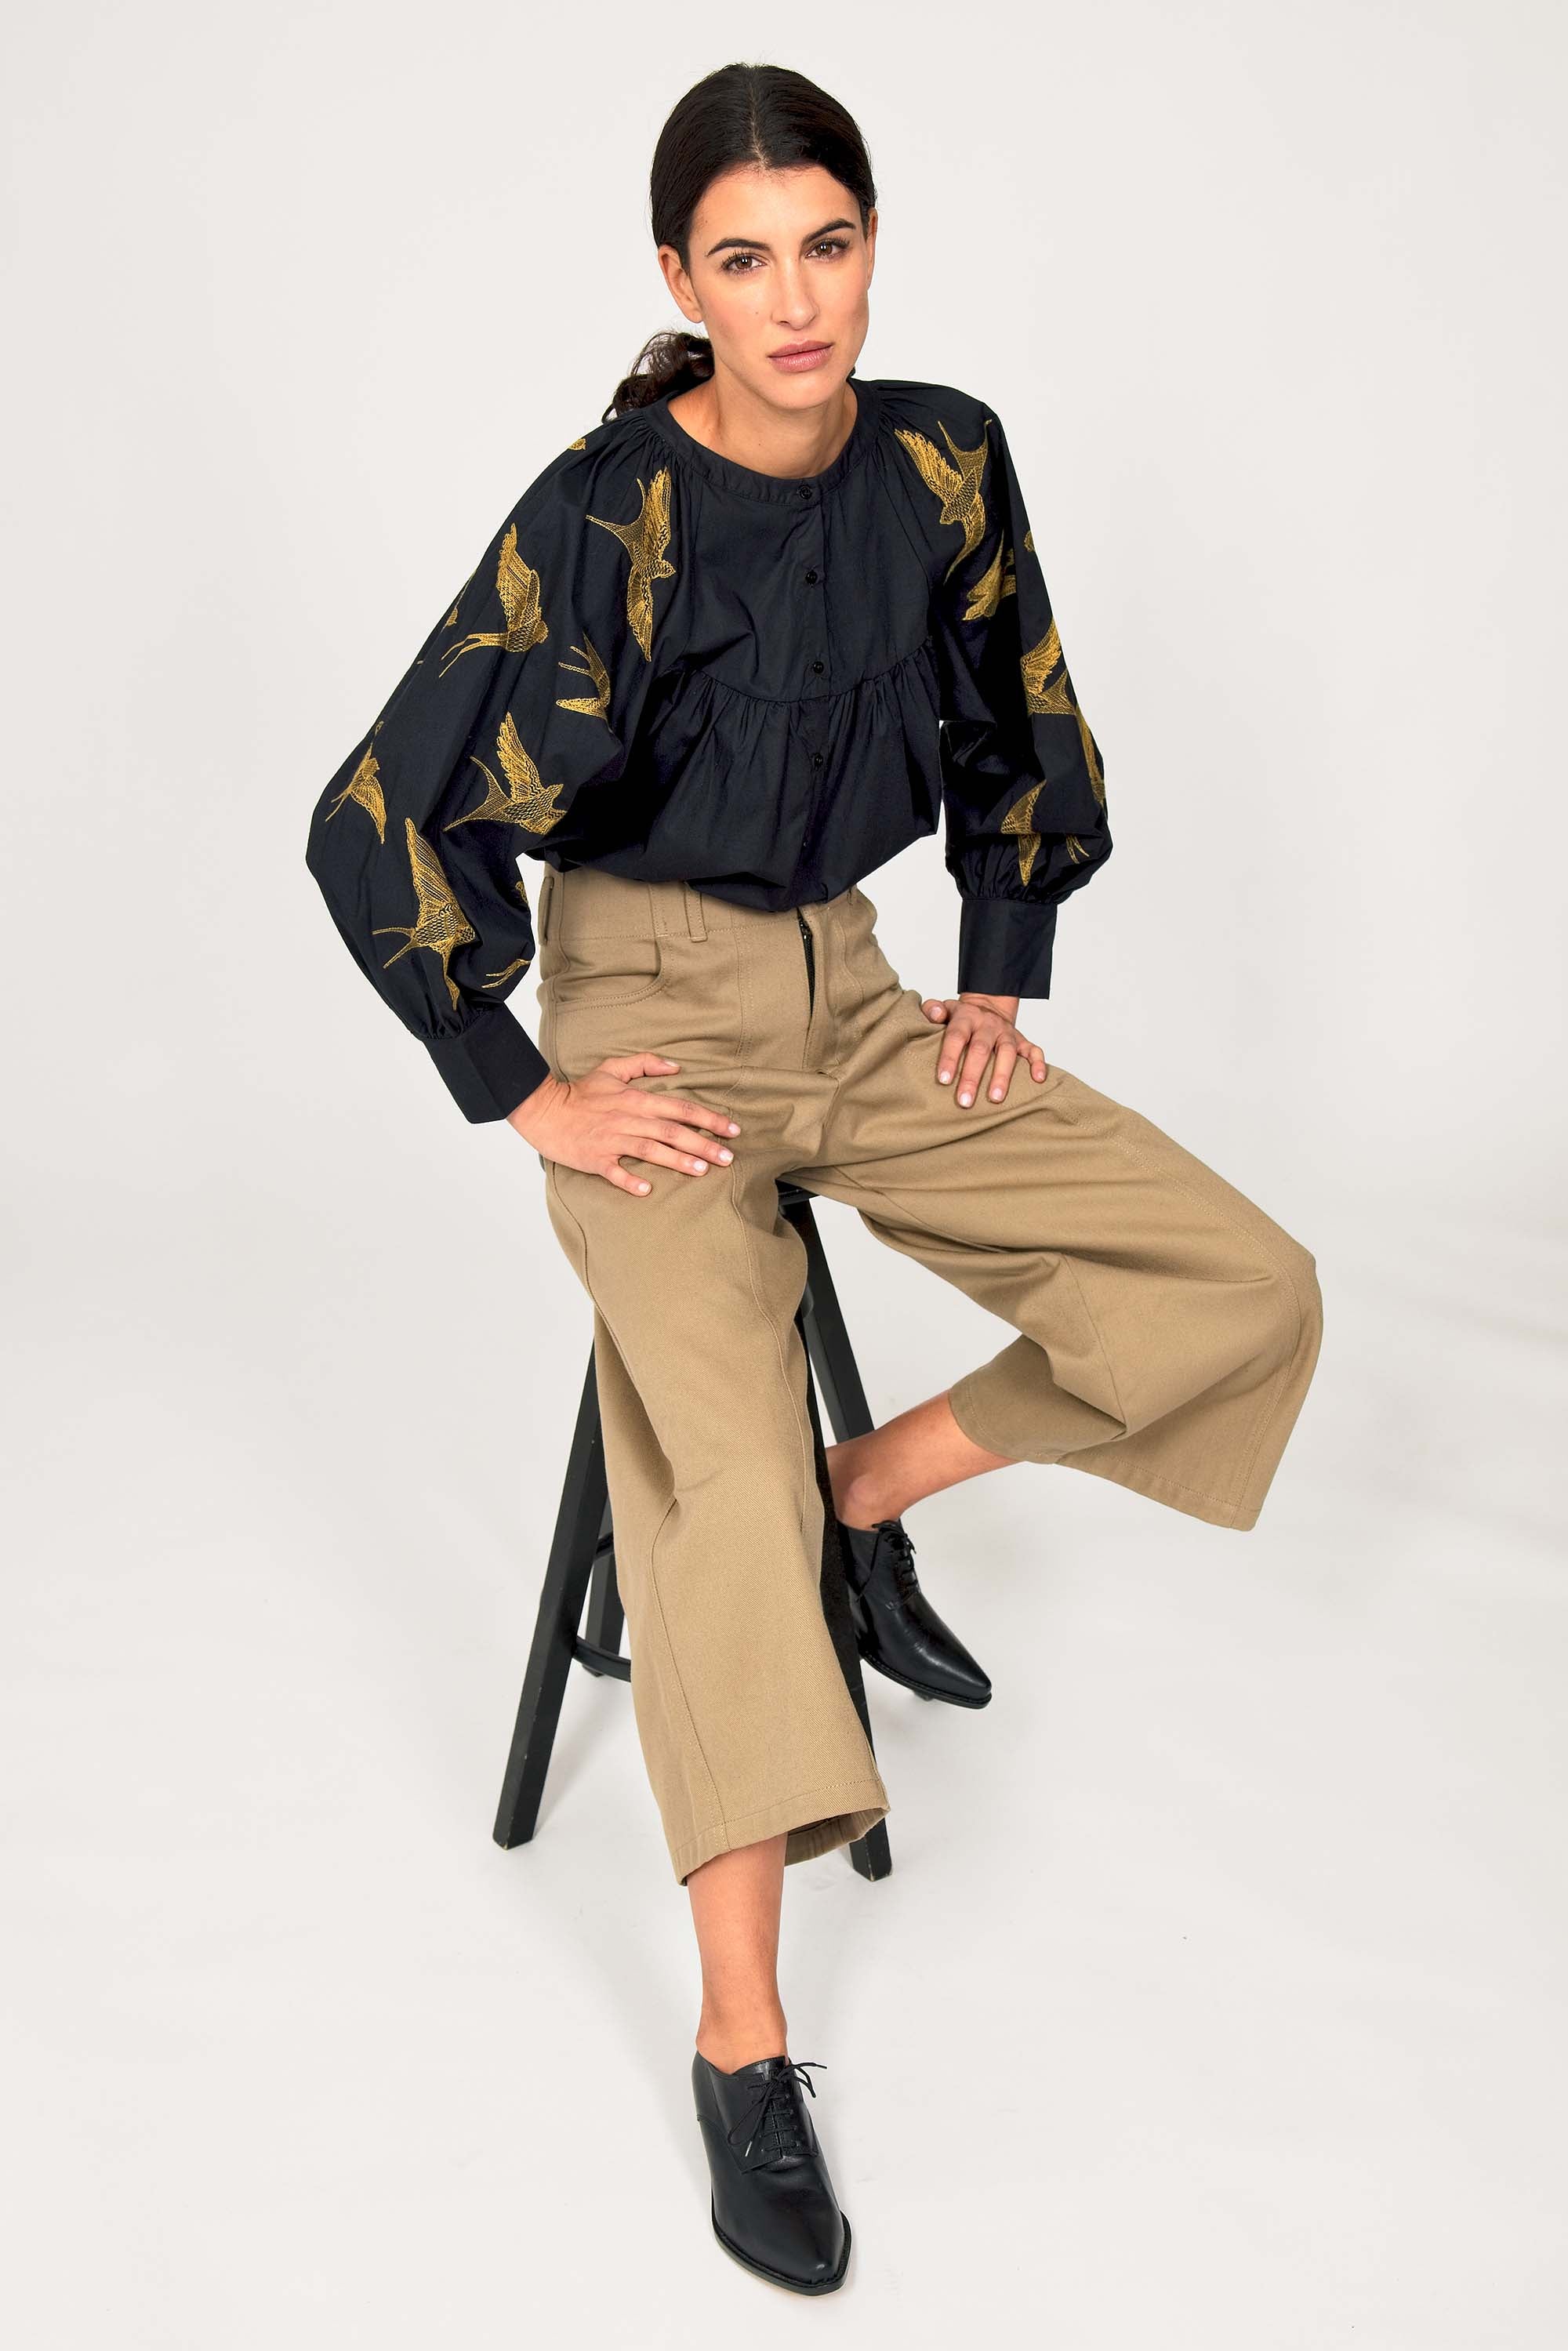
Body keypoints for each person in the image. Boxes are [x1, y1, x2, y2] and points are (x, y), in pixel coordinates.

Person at [304, 60, 1324, 2295]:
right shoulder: (610, 510)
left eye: (828, 246)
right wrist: (525, 1088)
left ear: (874, 247)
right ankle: (745, 2043)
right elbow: (372, 813)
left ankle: (871, 1499)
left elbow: (1015, 708)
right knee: (715, 1473)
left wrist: (1000, 965)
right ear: (680, 279)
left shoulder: (940, 457)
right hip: (647, 1020)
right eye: (744, 260)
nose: (796, 302)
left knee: (1245, 1286)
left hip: (854, 1000)